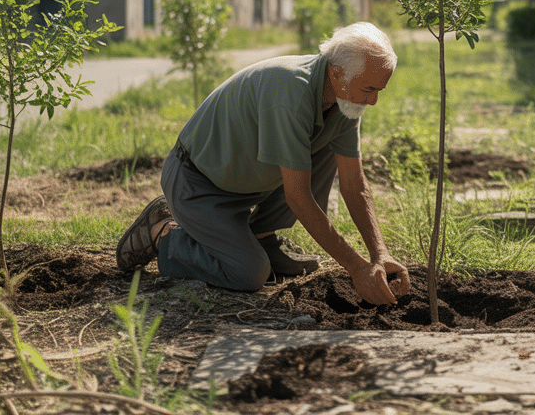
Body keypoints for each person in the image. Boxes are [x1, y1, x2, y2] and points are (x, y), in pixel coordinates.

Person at [116, 21, 411, 305]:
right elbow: (298, 197)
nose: (372, 101)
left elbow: (354, 183)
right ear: (336, 74)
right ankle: (165, 232)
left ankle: (261, 236)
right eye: (368, 89)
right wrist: (357, 268)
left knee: (324, 151)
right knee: (248, 273)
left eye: (378, 91)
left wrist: (380, 255)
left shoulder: (346, 100)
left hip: (247, 183)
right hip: (198, 184)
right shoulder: (291, 94)